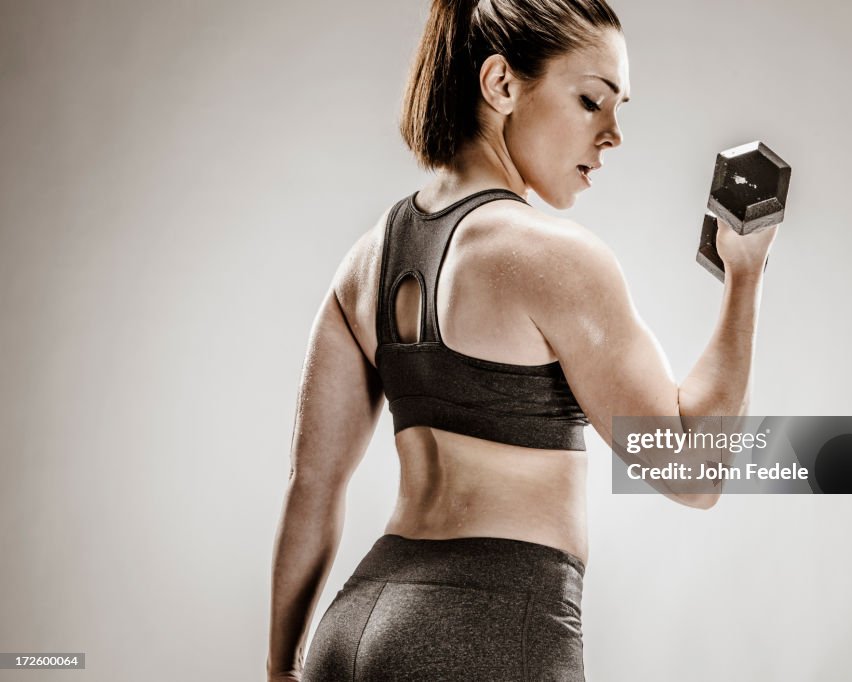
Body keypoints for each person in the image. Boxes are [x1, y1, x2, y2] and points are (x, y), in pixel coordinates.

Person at [267, 0, 778, 679]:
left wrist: (280, 669)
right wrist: (745, 276)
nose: (613, 134)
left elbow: (312, 485)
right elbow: (693, 472)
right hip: (492, 632)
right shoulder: (554, 258)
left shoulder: (364, 264)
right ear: (502, 86)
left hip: (351, 628)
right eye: (593, 101)